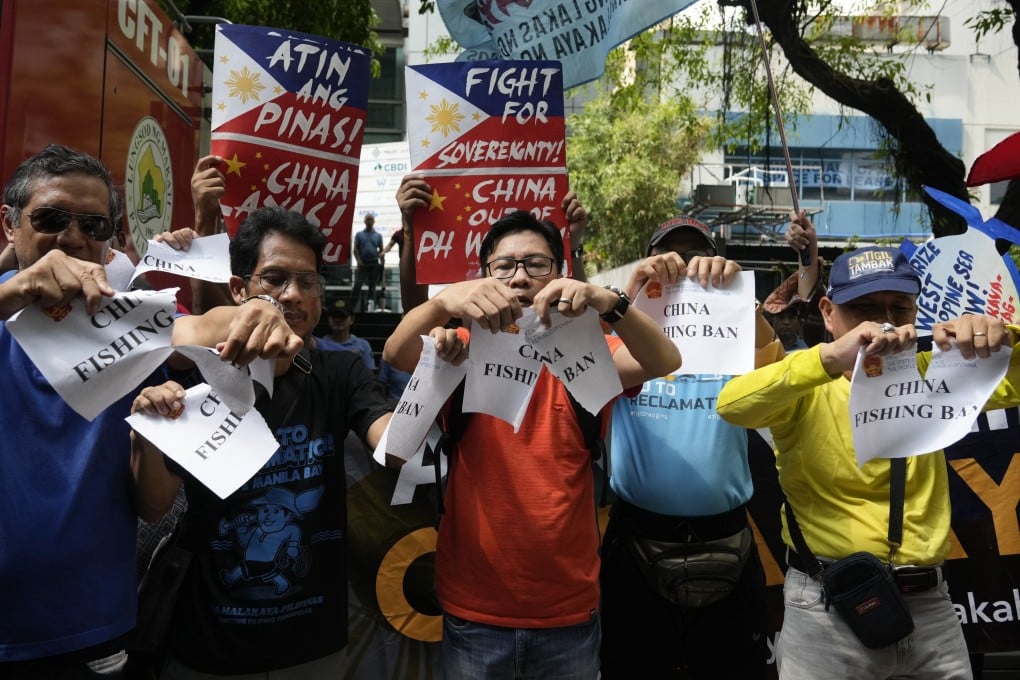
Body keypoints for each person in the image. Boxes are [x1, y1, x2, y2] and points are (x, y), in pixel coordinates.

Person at [383, 209, 681, 679]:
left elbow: (663, 360)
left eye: (536, 264)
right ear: (483, 276)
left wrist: (609, 301)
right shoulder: (457, 344)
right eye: (504, 266)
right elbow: (396, 352)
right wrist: (445, 302)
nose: (519, 276)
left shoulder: (588, 350)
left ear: (560, 273)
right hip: (474, 610)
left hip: (569, 612)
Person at [716, 240, 1020, 679]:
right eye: (863, 307)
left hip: (930, 606)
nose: (883, 321)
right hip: (825, 608)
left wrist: (1003, 336)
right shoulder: (806, 383)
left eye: (899, 307)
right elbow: (733, 405)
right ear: (827, 312)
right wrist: (828, 357)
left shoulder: (936, 372)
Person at [134, 206, 394, 679]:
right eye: (274, 279)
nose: (292, 295)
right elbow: (153, 505)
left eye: (308, 282)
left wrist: (443, 368)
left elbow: (394, 446)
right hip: (208, 648)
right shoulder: (193, 372)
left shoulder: (342, 372)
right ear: (240, 289)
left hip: (315, 649)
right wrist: (150, 428)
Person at [0, 144, 196, 677]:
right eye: (51, 218)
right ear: (10, 225)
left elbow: (153, 505)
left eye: (94, 224)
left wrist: (158, 431)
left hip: (90, 634)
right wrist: (16, 289)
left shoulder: (132, 333)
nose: (71, 237)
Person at [599, 216, 784, 679]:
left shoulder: (735, 334)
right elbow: (577, 338)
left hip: (726, 540)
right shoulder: (620, 342)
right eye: (669, 254)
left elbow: (774, 369)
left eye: (694, 253)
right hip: (635, 541)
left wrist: (743, 302)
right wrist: (630, 287)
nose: (681, 265)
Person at [315, 298, 376, 369]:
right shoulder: (319, 345)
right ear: (328, 319)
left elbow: (370, 373)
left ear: (352, 319)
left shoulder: (363, 346)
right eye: (334, 316)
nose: (338, 320)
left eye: (342, 316)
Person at [351, 212, 383, 312]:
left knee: (372, 287)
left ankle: (370, 309)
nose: (369, 221)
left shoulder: (378, 235)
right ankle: (351, 309)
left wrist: (382, 263)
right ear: (365, 221)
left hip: (374, 264)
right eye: (367, 219)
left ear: (373, 221)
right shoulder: (359, 234)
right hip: (363, 264)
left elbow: (381, 250)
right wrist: (359, 261)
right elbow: (355, 250)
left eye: (371, 219)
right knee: (357, 286)